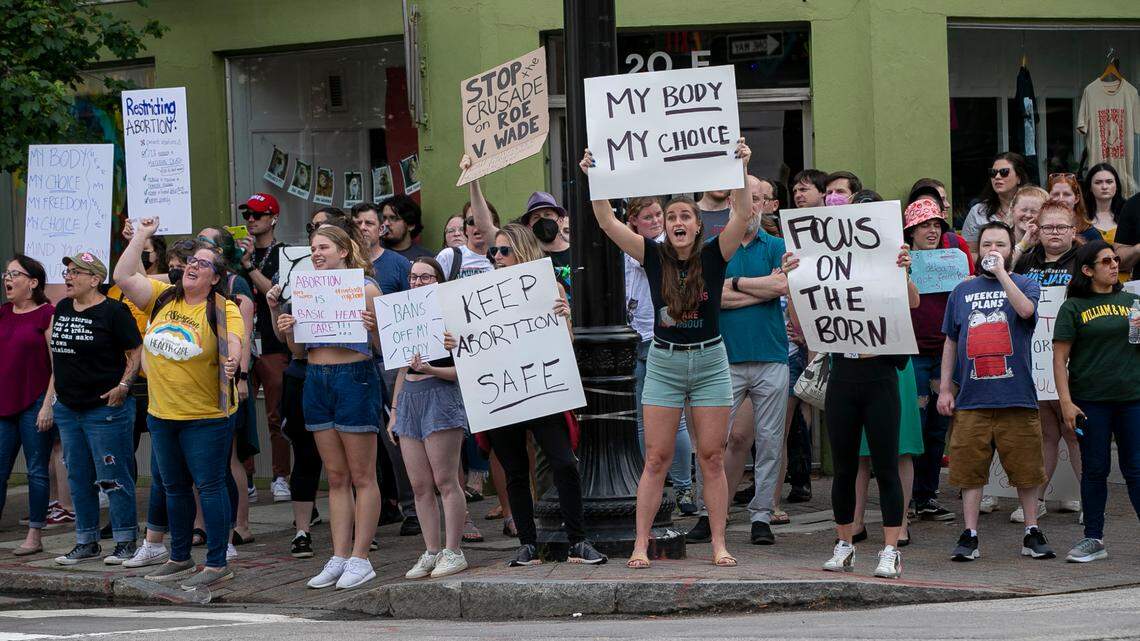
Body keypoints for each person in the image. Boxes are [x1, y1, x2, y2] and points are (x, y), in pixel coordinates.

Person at [581, 139, 754, 569]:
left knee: (710, 457)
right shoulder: (651, 255)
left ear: (697, 226)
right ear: (664, 227)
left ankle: (718, 544)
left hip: (710, 360)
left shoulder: (716, 255)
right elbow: (605, 221)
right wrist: (594, 176)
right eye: (671, 216)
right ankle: (641, 544)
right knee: (656, 457)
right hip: (664, 361)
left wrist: (741, 170)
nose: (677, 221)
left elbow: (744, 214)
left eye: (685, 217)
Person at [460, 222, 605, 567]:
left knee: (564, 463)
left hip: (542, 388)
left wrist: (565, 318)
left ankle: (578, 541)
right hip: (503, 391)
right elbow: (469, 343)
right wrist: (457, 341)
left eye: (504, 250)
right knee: (514, 471)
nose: (496, 256)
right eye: (494, 251)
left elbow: (566, 342)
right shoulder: (477, 292)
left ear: (522, 250)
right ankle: (528, 543)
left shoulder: (548, 286)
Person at [114, 218, 244, 589]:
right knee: (173, 487)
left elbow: (234, 341)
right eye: (191, 260)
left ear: (215, 277)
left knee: (210, 485)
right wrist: (140, 235)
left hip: (206, 416)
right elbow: (124, 276)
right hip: (163, 413)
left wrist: (233, 360)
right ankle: (179, 556)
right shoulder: (163, 294)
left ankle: (218, 561)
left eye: (203, 263)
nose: (192, 265)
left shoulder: (223, 308)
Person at [791, 205, 917, 579]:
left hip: (880, 375)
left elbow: (912, 302)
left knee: (887, 466)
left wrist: (904, 270)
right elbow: (804, 321)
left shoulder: (889, 267)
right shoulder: (830, 275)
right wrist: (794, 277)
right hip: (843, 375)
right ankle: (844, 543)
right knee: (844, 468)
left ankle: (891, 548)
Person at [938, 221, 1055, 562]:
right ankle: (970, 533)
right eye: (986, 244)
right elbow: (951, 340)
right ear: (976, 250)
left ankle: (1031, 531)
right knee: (969, 469)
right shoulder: (961, 291)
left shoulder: (1025, 283)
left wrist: (1004, 274)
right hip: (972, 399)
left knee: (1026, 468)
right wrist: (946, 387)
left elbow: (1025, 311)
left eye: (1000, 244)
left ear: (1010, 248)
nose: (992, 250)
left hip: (1016, 395)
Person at [274, 225, 384, 590]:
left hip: (354, 377)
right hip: (316, 379)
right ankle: (339, 556)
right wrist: (289, 329)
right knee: (335, 476)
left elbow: (383, 348)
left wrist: (374, 327)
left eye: (323, 247)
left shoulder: (366, 287)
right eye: (313, 248)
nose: (316, 253)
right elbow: (298, 352)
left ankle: (361, 557)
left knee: (362, 474)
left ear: (343, 251)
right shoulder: (306, 289)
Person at [46, 252, 142, 565]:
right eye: (67, 271)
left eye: (76, 272)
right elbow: (57, 358)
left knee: (113, 477)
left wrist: (124, 386)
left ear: (95, 279)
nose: (68, 277)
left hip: (105, 409)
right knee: (78, 476)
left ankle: (126, 539)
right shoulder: (61, 307)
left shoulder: (114, 311)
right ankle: (85, 541)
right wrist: (51, 401)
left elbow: (135, 350)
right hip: (69, 409)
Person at [1053, 241, 1140, 562]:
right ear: (1088, 270)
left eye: (1116, 260)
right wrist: (1065, 402)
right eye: (1106, 261)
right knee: (1094, 470)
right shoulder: (1073, 308)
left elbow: (1137, 346)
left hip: (1133, 399)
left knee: (1136, 470)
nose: (1114, 265)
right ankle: (1093, 538)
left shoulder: (1133, 302)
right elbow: (1059, 358)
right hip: (1090, 402)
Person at [715, 175, 789, 546]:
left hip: (772, 355)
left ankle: (762, 515)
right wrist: (760, 288)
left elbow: (782, 286)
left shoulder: (777, 244)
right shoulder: (716, 247)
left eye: (760, 199)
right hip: (724, 359)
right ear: (732, 202)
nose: (754, 205)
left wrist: (737, 283)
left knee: (771, 441)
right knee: (716, 440)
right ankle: (713, 512)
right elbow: (713, 298)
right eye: (748, 198)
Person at [389, 257, 470, 579]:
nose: (417, 282)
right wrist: (395, 410)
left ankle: (454, 550)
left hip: (440, 396)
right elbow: (399, 366)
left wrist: (431, 368)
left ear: (439, 280)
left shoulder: (452, 316)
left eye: (425, 277)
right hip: (409, 398)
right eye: (413, 277)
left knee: (445, 479)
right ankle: (431, 550)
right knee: (419, 484)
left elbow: (464, 369)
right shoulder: (405, 316)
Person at [625, 196, 696, 517]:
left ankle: (683, 486)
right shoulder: (625, 249)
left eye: (659, 215)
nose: (655, 220)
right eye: (648, 216)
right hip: (633, 339)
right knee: (643, 420)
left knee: (676, 419)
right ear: (633, 222)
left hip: (662, 339)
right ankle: (654, 485)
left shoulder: (668, 247)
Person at [1013, 199, 1084, 521]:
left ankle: (1090, 500)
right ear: (1037, 230)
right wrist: (1022, 243)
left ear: (1074, 230)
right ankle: (1036, 500)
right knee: (1046, 433)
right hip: (1035, 358)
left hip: (1075, 358)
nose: (1054, 233)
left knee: (1074, 430)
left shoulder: (1085, 260)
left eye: (1061, 227)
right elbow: (1002, 278)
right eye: (1048, 227)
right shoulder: (1027, 260)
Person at [903, 198, 973, 523]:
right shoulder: (903, 262)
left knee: (937, 426)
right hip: (913, 354)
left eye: (936, 225)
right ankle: (906, 496)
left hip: (946, 354)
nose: (931, 231)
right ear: (911, 231)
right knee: (912, 425)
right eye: (924, 225)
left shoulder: (954, 260)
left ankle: (927, 495)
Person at [351, 201, 418, 536]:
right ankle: (377, 511)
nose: (363, 228)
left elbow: (413, 311)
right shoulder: (346, 271)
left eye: (369, 223)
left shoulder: (398, 265)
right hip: (356, 363)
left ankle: (413, 509)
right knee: (366, 440)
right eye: (358, 223)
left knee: (398, 438)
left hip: (391, 363)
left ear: (382, 229)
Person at [234, 193, 293, 503]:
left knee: (276, 413)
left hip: (271, 342)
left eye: (258, 214)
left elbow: (274, 291)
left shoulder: (284, 254)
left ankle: (281, 475)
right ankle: (247, 475)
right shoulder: (236, 254)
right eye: (248, 215)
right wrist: (237, 260)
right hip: (242, 340)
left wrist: (248, 266)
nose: (251, 220)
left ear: (273, 218)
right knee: (241, 412)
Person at [0, 255, 55, 556]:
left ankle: (35, 534)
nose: (8, 279)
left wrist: (48, 405)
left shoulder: (47, 314)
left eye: (15, 274)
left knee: (36, 470)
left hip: (35, 401)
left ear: (33, 282)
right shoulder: (3, 313)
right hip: (3, 403)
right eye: (6, 273)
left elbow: (58, 365)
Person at [960, 152, 1029, 254]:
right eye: (993, 172)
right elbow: (970, 253)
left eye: (1004, 172)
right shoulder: (978, 211)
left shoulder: (1033, 209)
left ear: (1019, 178)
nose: (997, 177)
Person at [436, 203, 497, 281]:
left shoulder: (502, 255)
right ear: (466, 230)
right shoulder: (447, 256)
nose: (478, 225)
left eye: (484, 220)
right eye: (471, 221)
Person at [1083, 164, 1126, 256]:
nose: (1104, 187)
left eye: (1109, 182)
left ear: (1117, 185)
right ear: (1090, 187)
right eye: (1098, 182)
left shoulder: (1127, 212)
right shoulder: (1081, 215)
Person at [1047, 173, 1100, 243]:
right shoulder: (1041, 229)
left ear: (1076, 199)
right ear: (1048, 197)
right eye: (1056, 194)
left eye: (1066, 194)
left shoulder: (1091, 234)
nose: (1061, 199)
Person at [382, 195, 434, 261]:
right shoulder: (372, 252)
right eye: (384, 218)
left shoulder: (426, 258)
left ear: (411, 225)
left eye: (393, 218)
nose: (386, 223)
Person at [1009, 186, 1049, 267]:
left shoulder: (1047, 244)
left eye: (1034, 211)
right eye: (1023, 210)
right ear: (1012, 210)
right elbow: (999, 271)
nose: (1028, 215)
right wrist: (1023, 244)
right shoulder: (1000, 237)